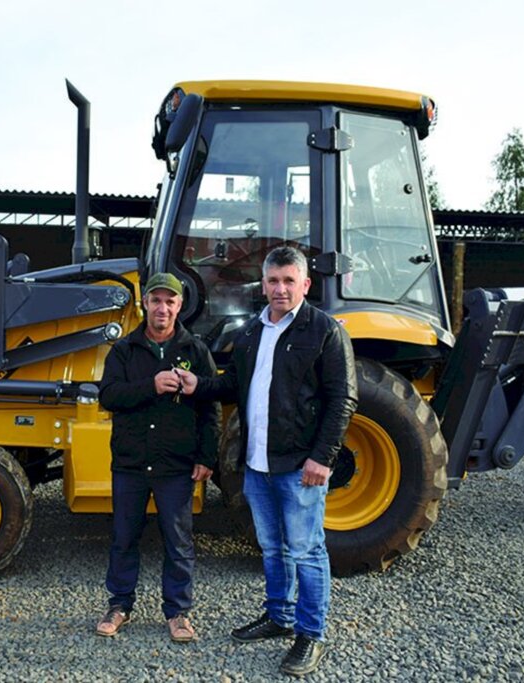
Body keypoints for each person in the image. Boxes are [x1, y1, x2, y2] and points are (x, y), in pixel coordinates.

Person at [175, 246, 357, 676]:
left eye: (288, 281)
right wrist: (195, 384)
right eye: (273, 281)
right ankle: (279, 616)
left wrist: (322, 459)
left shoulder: (325, 332)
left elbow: (342, 400)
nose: (279, 289)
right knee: (272, 547)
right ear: (264, 283)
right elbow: (234, 385)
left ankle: (310, 635)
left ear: (305, 284)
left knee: (307, 550)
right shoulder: (254, 332)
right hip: (256, 463)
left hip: (300, 467)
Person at [95, 272, 220, 643]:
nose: (162, 308)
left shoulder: (195, 352)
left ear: (180, 306)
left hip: (176, 465)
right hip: (132, 463)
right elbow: (109, 396)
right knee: (124, 537)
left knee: (179, 540)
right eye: (156, 300)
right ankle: (119, 605)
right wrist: (150, 386)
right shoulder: (124, 351)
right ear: (144, 304)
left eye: (170, 301)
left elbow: (210, 409)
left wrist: (206, 456)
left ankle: (178, 613)